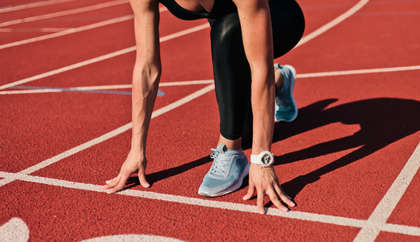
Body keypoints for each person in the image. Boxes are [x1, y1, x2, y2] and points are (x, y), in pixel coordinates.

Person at [102, 0, 305, 214]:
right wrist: (136, 150)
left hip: (278, 18)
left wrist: (261, 160)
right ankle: (280, 79)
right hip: (231, 31)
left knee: (227, 30)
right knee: (245, 131)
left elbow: (259, 67)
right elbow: (146, 68)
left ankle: (230, 151)